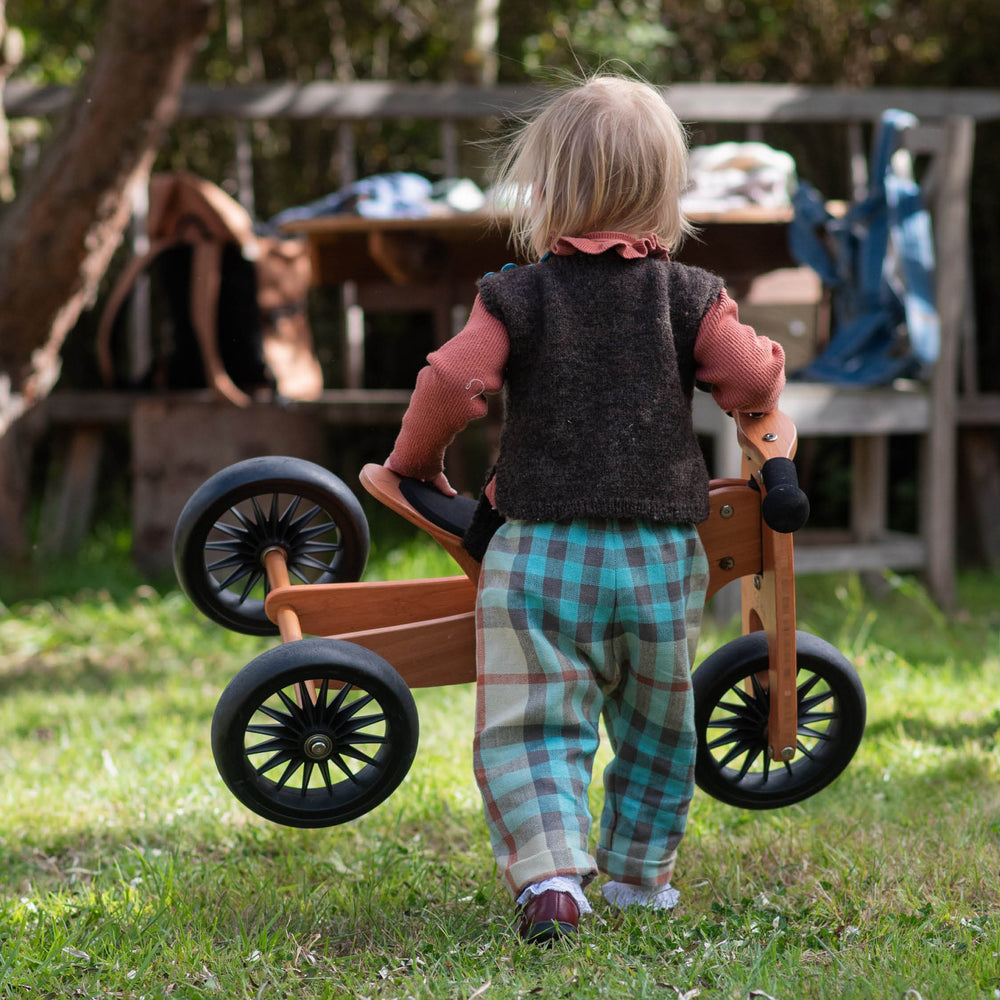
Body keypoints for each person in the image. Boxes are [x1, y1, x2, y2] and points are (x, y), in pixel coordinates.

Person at [384, 72, 786, 944]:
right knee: (656, 724)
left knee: (533, 724)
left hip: (537, 556)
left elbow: (453, 379)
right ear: (665, 192)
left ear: (545, 193)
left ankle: (552, 879)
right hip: (657, 558)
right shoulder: (690, 296)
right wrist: (763, 354)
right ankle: (641, 879)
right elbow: (751, 380)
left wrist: (415, 466)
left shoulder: (516, 296)